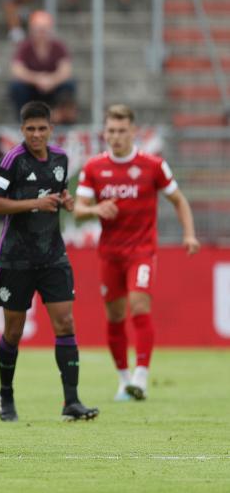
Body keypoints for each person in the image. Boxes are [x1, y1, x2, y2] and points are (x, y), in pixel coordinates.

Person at [74, 104, 199, 401]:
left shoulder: (153, 165)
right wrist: (95, 209)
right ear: (105, 133)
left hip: (141, 251)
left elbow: (179, 200)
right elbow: (78, 211)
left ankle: (141, 377)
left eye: (121, 131)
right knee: (115, 316)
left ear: (133, 131)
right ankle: (123, 380)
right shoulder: (94, 167)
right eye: (111, 131)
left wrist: (189, 233)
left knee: (139, 306)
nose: (115, 137)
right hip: (109, 254)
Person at [0, 101, 98, 423]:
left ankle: (71, 401)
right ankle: (6, 394)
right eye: (30, 129)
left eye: (42, 128)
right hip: (16, 259)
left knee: (65, 323)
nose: (36, 134)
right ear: (22, 131)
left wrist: (66, 201)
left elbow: (59, 196)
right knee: (14, 332)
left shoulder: (61, 159)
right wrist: (35, 202)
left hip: (53, 256)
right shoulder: (12, 161)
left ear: (50, 129)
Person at [9, 10, 76, 124]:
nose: (41, 33)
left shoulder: (58, 46)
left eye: (44, 30)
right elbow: (17, 70)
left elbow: (66, 70)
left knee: (69, 85)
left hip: (53, 87)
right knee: (17, 87)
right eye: (38, 30)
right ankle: (22, 118)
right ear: (32, 30)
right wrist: (37, 79)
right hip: (32, 88)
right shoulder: (25, 47)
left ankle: (62, 118)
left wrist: (52, 80)